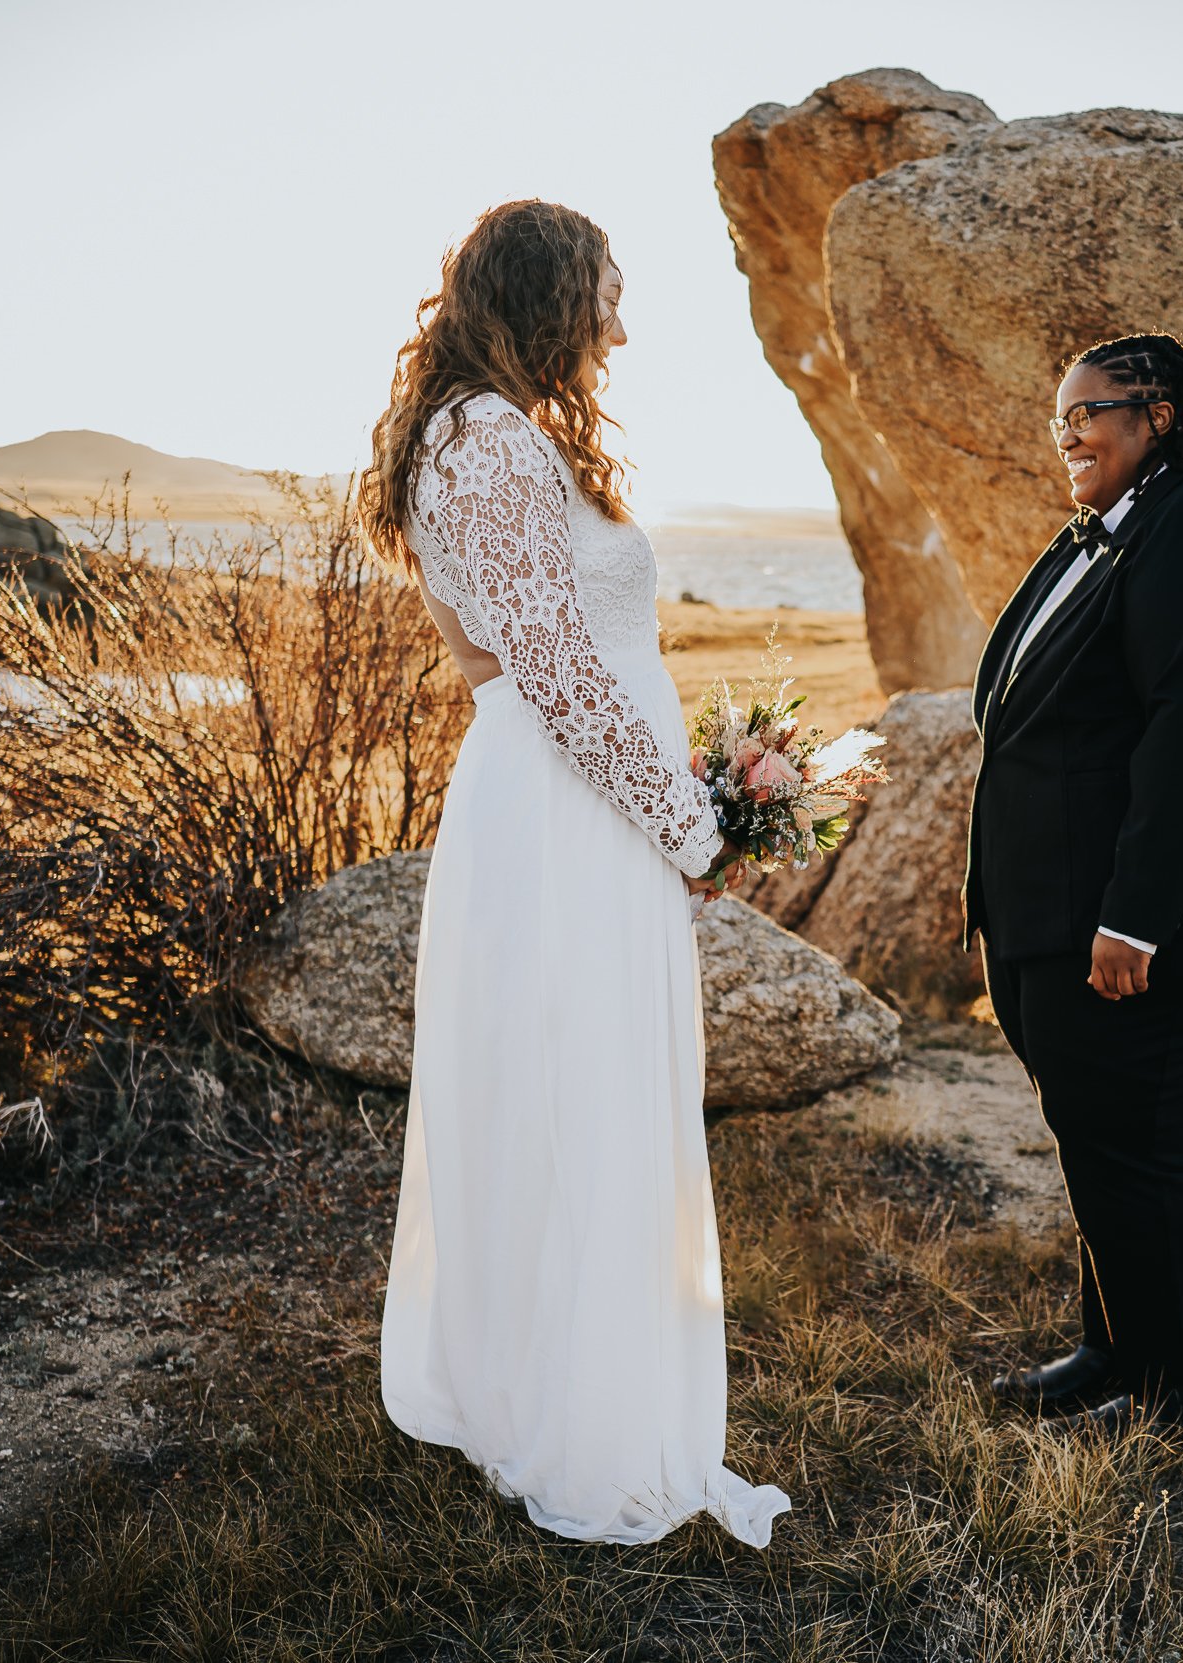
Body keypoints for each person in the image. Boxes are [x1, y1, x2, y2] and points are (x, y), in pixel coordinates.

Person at [354, 199, 788, 1546]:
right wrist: (690, 825)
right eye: (607, 296)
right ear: (547, 296)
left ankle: (544, 1382)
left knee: (567, 1087)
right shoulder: (485, 441)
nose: (620, 326)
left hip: (571, 805)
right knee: (575, 1088)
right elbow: (553, 674)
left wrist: (684, 801)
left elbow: (553, 656)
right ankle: (572, 1421)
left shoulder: (486, 431)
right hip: (564, 816)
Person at [966, 332, 1183, 1434]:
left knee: (1134, 1144)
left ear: (1158, 416)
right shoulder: (1103, 538)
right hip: (1061, 915)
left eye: (1089, 412)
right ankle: (1112, 1350)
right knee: (1099, 1135)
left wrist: (1135, 917)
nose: (1067, 433)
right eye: (1056, 417)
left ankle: (1171, 1395)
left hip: (1169, 918)